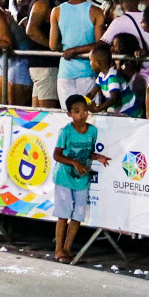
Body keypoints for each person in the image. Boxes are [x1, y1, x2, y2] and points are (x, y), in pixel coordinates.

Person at [51, 95, 109, 262]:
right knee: (63, 214)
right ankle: (58, 250)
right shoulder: (66, 132)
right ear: (69, 114)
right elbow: (57, 155)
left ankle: (67, 249)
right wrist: (74, 162)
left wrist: (98, 157)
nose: (82, 114)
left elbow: (87, 152)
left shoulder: (92, 131)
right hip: (64, 178)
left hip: (82, 178)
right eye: (77, 112)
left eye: (84, 110)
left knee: (78, 214)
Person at [51, 0, 104, 103]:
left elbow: (53, 45)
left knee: (68, 116)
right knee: (91, 115)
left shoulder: (56, 11)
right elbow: (99, 44)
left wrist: (69, 48)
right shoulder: (96, 12)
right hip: (88, 71)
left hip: (65, 72)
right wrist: (76, 50)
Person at [24, 0, 66, 108]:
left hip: (41, 65)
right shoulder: (43, 2)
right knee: (48, 113)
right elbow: (31, 30)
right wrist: (53, 46)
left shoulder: (46, 1)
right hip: (45, 66)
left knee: (37, 113)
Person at [88, 39, 139, 117]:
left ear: (98, 63)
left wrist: (98, 108)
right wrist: (83, 102)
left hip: (130, 112)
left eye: (91, 60)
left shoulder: (112, 77)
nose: (90, 63)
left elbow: (113, 99)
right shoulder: (101, 76)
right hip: (121, 112)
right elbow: (91, 93)